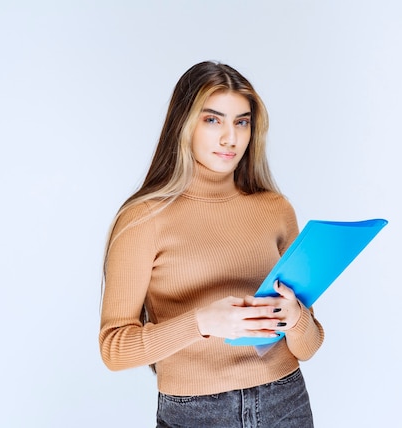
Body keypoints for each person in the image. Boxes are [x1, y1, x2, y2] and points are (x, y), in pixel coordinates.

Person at [99, 61, 324, 427]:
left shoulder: (275, 209)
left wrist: (297, 318)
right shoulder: (143, 219)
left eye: (242, 121)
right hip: (197, 412)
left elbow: (309, 346)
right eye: (212, 120)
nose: (230, 138)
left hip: (286, 400)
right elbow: (114, 348)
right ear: (183, 124)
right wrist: (203, 322)